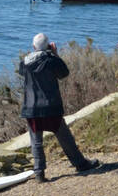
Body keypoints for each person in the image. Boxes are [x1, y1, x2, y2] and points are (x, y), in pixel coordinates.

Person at [17, 33, 100, 183]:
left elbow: (22, 72)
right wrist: (55, 54)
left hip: (31, 108)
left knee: (36, 141)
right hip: (50, 106)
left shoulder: (25, 62)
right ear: (49, 46)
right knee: (65, 138)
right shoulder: (51, 60)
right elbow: (64, 73)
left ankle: (39, 173)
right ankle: (80, 164)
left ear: (33, 47)